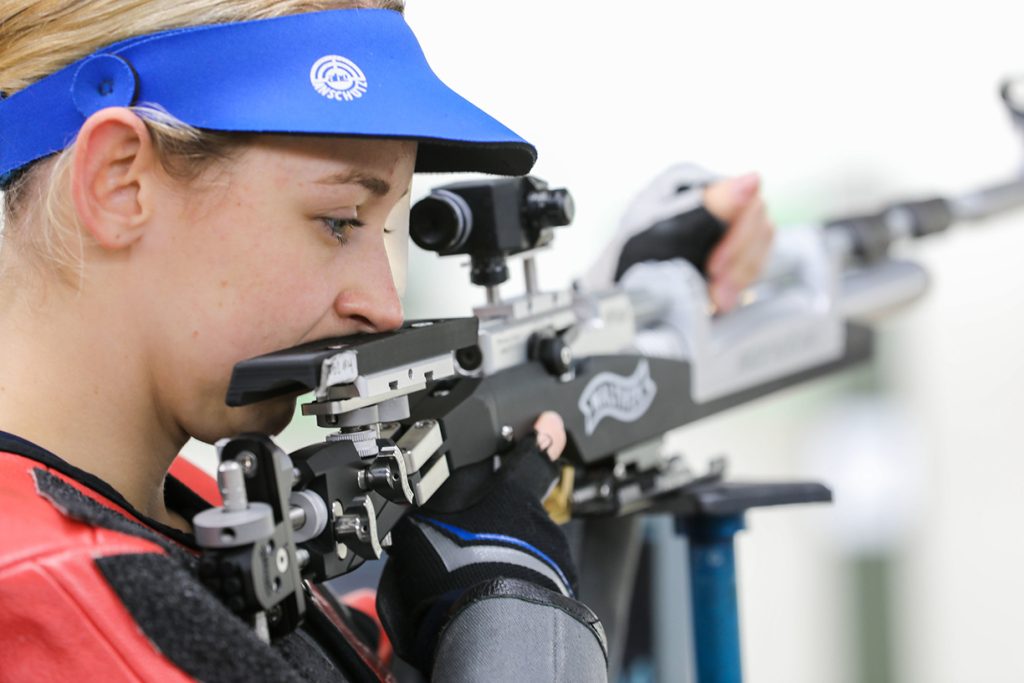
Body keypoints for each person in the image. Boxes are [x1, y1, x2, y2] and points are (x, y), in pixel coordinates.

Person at [0, 2, 773, 681]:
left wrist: (618, 313)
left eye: (391, 226)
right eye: (338, 220)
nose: (382, 303)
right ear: (118, 182)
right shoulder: (45, 597)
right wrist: (520, 625)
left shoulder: (164, 517)